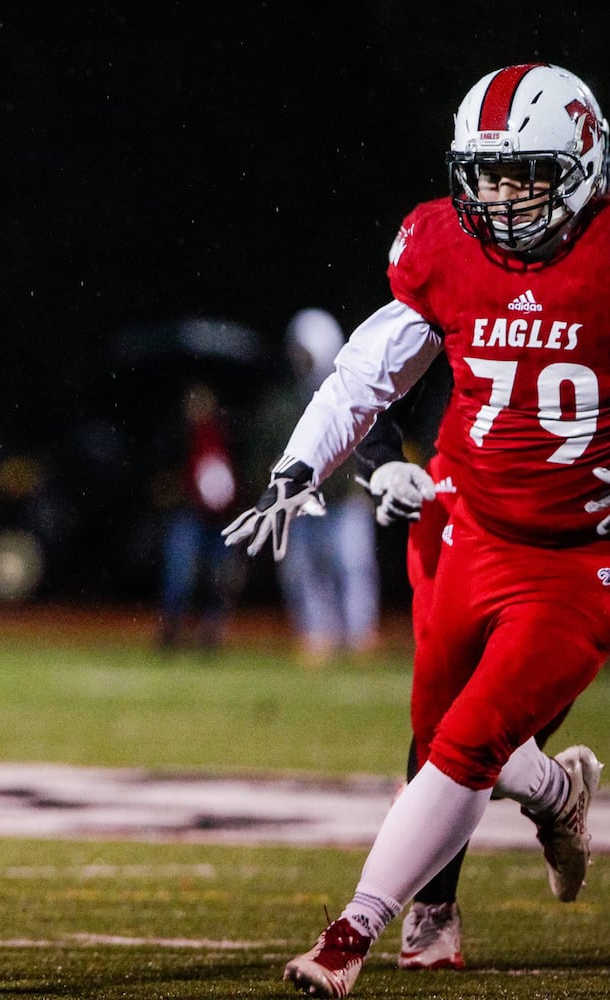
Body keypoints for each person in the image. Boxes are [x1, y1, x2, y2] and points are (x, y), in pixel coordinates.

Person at [223, 62, 608, 996]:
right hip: (462, 524)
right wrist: (307, 464)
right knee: (439, 728)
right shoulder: (443, 246)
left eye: (525, 175)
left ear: (586, 164)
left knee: (466, 740)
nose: (500, 198)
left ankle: (354, 929)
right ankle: (554, 795)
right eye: (485, 174)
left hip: (575, 557)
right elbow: (367, 373)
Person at [356, 379, 586, 972]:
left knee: (507, 718)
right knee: (449, 726)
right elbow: (371, 380)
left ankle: (549, 791)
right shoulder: (463, 286)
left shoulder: (588, 296)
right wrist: (382, 461)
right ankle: (436, 905)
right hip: (459, 508)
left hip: (561, 519)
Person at [269, 310, 381, 666]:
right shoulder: (286, 403)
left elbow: (367, 446)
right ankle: (318, 634)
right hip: (303, 502)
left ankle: (360, 633)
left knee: (353, 569)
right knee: (306, 573)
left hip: (344, 500)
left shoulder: (352, 395)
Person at [155, 381, 242, 650]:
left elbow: (238, 474)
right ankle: (171, 629)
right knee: (180, 576)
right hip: (189, 514)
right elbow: (163, 479)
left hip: (221, 518)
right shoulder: (178, 437)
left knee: (222, 578)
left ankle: (212, 632)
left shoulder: (227, 434)